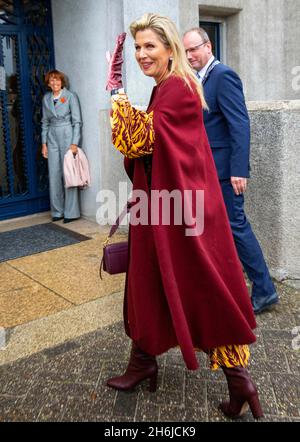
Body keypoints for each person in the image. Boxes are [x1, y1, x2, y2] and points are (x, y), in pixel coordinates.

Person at [105, 14, 264, 419]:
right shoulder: (168, 85)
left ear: (169, 48)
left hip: (177, 213)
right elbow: (154, 144)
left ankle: (238, 377)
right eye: (137, 48)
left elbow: (135, 139)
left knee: (200, 285)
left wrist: (117, 95)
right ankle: (143, 362)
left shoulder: (176, 86)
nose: (142, 54)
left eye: (149, 47)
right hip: (167, 207)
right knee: (151, 280)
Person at [183, 28, 279, 315]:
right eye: (186, 51)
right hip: (208, 170)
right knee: (218, 229)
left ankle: (264, 291)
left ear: (208, 46)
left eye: (194, 49)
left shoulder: (223, 76)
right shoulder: (200, 79)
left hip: (226, 172)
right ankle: (226, 286)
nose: (189, 56)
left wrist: (239, 170)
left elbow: (240, 124)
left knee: (236, 227)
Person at [41, 69, 82, 223]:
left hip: (67, 134)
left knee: (68, 173)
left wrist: (74, 143)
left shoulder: (70, 96)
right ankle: (57, 211)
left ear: (62, 82)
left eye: (57, 80)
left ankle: (71, 212)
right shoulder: (46, 99)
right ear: (48, 83)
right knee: (54, 173)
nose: (55, 83)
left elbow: (77, 121)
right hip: (52, 136)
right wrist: (43, 144)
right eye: (51, 80)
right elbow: (44, 122)